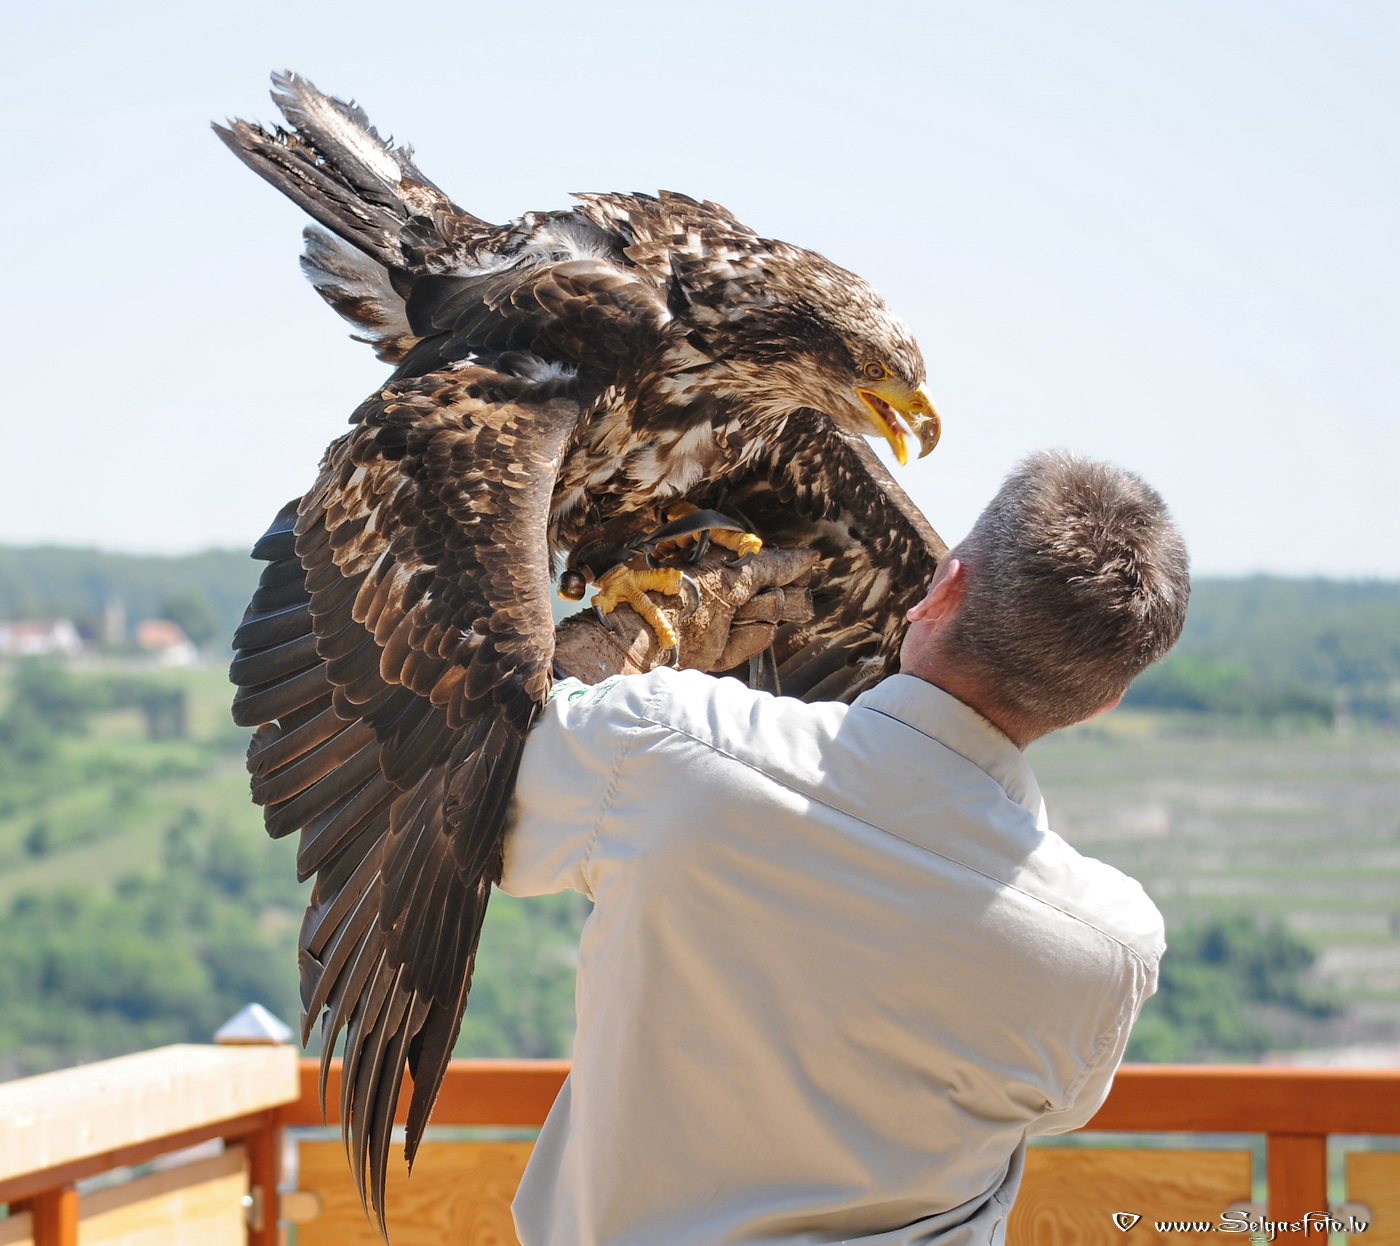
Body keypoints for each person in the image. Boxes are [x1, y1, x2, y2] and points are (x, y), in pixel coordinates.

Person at [500, 450, 1190, 1246]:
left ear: (945, 588)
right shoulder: (1109, 947)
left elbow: (488, 807)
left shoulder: (661, 742)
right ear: (1101, 703)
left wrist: (614, 650)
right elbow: (1058, 1109)